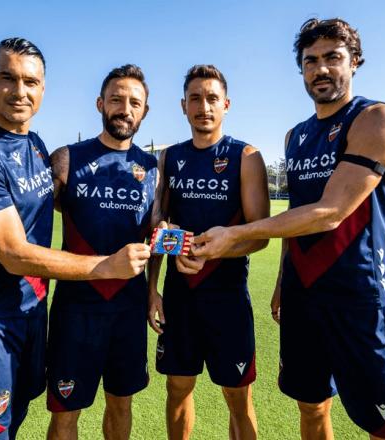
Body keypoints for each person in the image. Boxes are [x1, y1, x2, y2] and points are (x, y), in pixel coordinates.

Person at [193, 19, 385, 440]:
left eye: (333, 57)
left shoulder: (378, 119)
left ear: (355, 62)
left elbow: (330, 212)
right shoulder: (297, 136)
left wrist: (237, 234)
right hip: (303, 295)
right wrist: (282, 281)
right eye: (310, 61)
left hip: (360, 297)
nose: (320, 69)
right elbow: (296, 216)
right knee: (311, 407)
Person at [0, 40, 149, 440]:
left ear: (43, 89)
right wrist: (106, 266)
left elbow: (32, 215)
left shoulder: (34, 145)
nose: (20, 91)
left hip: (33, 312)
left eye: (30, 81)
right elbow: (14, 253)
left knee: (15, 419)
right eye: (7, 78)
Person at [148, 65, 270, 440]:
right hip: (181, 297)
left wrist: (220, 250)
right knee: (177, 389)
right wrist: (152, 289)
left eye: (212, 98)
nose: (204, 106)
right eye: (196, 99)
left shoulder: (246, 156)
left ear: (226, 104)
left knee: (236, 394)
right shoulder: (168, 157)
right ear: (183, 106)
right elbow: (159, 223)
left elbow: (261, 234)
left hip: (228, 297)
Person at [45, 65, 156, 440]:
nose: (125, 109)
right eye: (116, 100)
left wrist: (155, 288)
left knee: (121, 403)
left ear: (145, 111)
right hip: (76, 309)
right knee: (65, 412)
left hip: (128, 308)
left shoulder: (153, 168)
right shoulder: (66, 159)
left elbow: (157, 235)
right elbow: (26, 220)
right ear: (100, 104)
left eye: (134, 102)